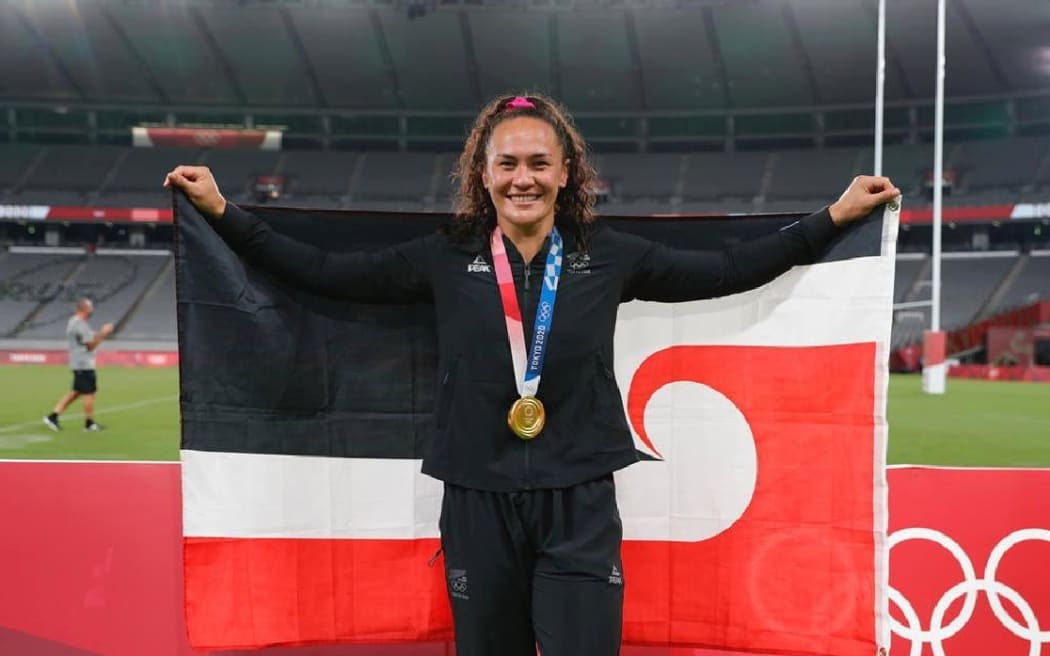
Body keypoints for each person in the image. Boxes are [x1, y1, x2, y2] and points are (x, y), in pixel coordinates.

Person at [165, 93, 900, 656]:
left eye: (538, 163)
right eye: (508, 163)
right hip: (477, 499)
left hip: (578, 500)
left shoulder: (609, 256)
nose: (524, 178)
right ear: (482, 174)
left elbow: (730, 269)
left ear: (565, 171)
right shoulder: (442, 257)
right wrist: (223, 213)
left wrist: (832, 218)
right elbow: (324, 272)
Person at [44, 298, 113, 432]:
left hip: (80, 363)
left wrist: (100, 334)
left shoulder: (77, 323)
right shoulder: (79, 324)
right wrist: (103, 333)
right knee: (89, 393)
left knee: (76, 393)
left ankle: (53, 416)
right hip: (83, 363)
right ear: (85, 309)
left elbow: (91, 338)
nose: (93, 310)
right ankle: (89, 423)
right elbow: (90, 345)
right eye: (91, 307)